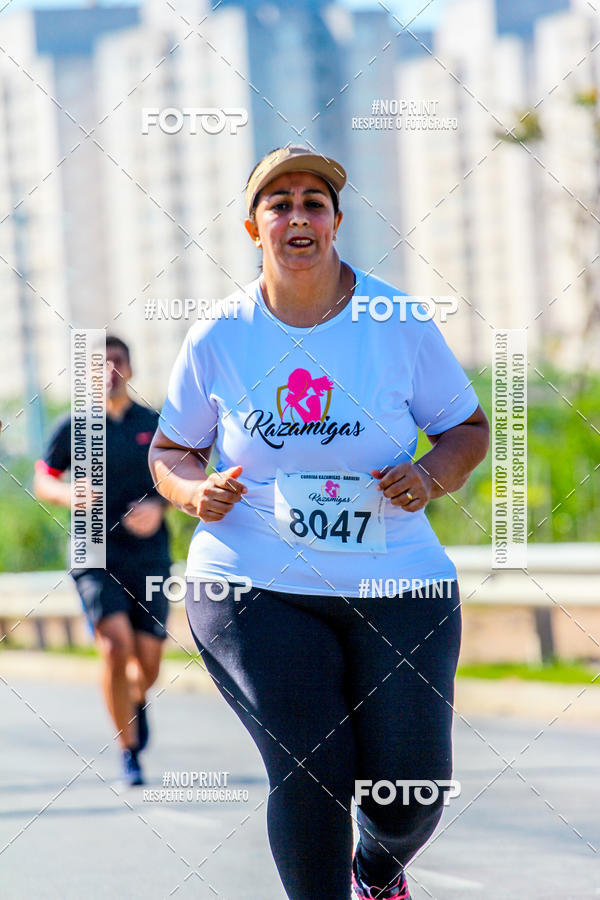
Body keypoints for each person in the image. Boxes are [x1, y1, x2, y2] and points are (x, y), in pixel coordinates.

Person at [148, 146, 489, 899]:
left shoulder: (395, 320)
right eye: (280, 203)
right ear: (253, 227)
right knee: (312, 769)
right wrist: (193, 491)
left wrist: (430, 475)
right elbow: (172, 448)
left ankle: (378, 868)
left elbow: (467, 427)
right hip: (251, 579)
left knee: (412, 794)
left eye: (313, 202)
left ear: (335, 222)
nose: (297, 215)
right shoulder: (219, 334)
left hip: (399, 582)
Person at [34, 335, 172, 786]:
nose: (109, 370)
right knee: (114, 646)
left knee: (148, 664)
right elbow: (44, 479)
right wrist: (66, 492)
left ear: (129, 369)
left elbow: (180, 476)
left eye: (117, 361)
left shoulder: (155, 424)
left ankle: (133, 698)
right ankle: (128, 750)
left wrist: (159, 506)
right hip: (92, 550)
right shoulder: (72, 427)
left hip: (149, 555)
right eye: (99, 364)